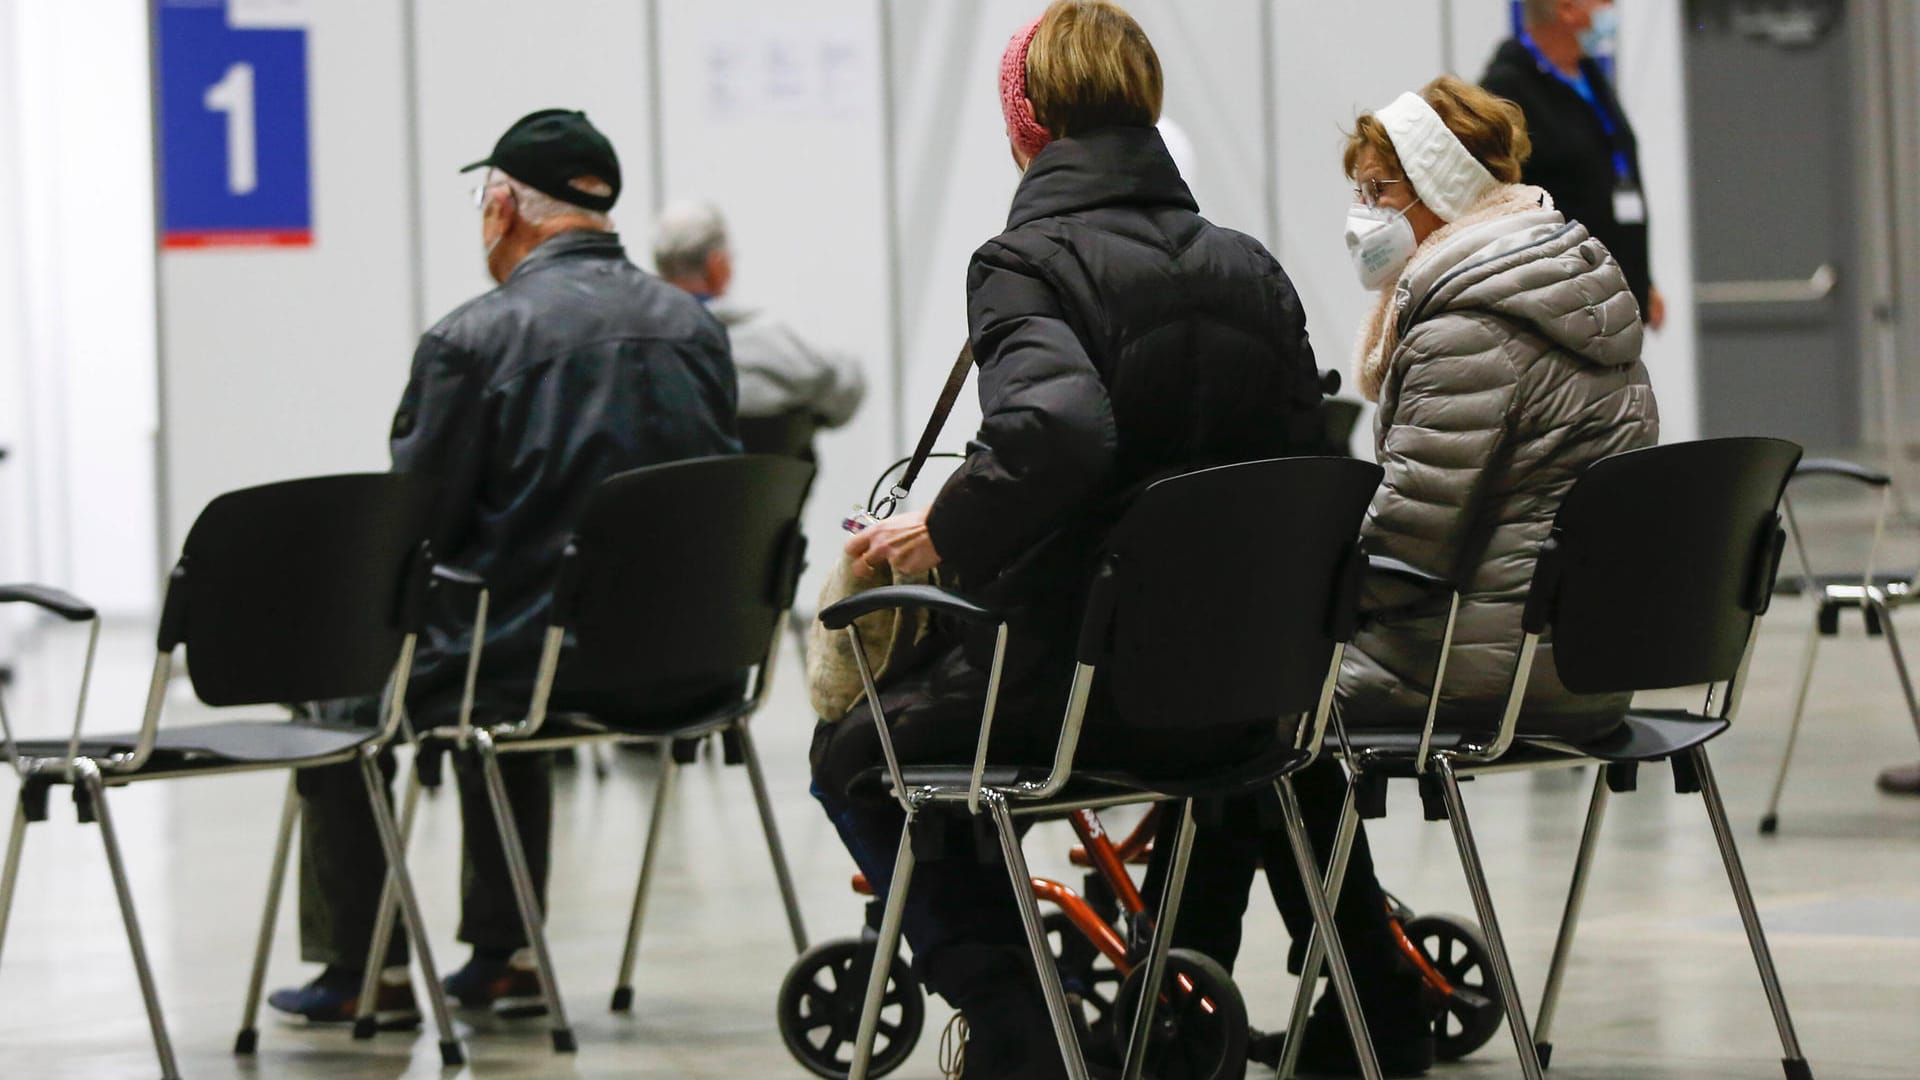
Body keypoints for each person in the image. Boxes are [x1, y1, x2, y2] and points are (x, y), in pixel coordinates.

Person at [811, 4, 1341, 1075]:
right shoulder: (1253, 268)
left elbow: (1053, 428)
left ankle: (1014, 1019)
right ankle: (1175, 996)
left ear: (1026, 125)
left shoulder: (1026, 262)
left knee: (856, 753)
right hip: (1243, 695)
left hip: (1081, 690)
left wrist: (940, 533)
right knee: (1230, 762)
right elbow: (1304, 473)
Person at [268, 109, 741, 1024]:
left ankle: (368, 971)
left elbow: (414, 529)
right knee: (515, 638)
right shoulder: (696, 330)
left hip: (529, 669)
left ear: (501, 209)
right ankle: (505, 954)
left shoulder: (473, 340)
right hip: (691, 672)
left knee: (354, 689)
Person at [1342, 77, 1658, 740]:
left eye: (1380, 192)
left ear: (1443, 190)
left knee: (1247, 676)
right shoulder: (1575, 287)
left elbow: (1409, 546)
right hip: (1590, 661)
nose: (1363, 215)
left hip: (1478, 668)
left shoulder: (1466, 330)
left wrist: (1305, 585)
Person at [1481, 0, 1665, 331]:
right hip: (1565, 304)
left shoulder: (1588, 74)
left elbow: (1608, 173)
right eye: (1603, 1)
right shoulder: (1507, 89)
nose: (1612, 8)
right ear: (1566, 8)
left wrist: (1641, 278)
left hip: (1615, 292)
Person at [653, 201, 865, 458]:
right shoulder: (776, 345)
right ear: (717, 266)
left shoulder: (641, 350)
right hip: (772, 496)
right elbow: (846, 387)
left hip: (673, 496)